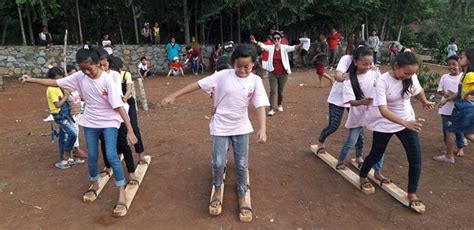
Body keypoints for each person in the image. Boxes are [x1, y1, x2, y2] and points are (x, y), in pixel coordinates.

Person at [21, 46, 138, 217]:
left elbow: (119, 107)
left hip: (109, 122)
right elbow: (55, 82)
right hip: (90, 122)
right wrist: (31, 79)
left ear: (98, 64)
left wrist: (130, 130)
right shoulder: (80, 76)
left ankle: (121, 191)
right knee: (91, 156)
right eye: (82, 69)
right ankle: (94, 184)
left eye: (89, 69)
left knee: (112, 155)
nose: (87, 73)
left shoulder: (107, 81)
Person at [161, 43, 269, 222]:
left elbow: (260, 105)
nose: (242, 70)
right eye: (239, 66)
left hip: (241, 127)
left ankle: (242, 194)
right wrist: (173, 95)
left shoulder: (255, 81)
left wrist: (263, 128)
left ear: (253, 65)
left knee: (242, 164)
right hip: (220, 126)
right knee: (218, 162)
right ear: (233, 63)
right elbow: (196, 84)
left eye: (247, 67)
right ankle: (217, 190)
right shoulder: (221, 76)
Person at [359, 52, 434, 211]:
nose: (409, 76)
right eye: (406, 73)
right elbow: (383, 110)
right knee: (376, 153)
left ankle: (412, 193)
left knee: (415, 158)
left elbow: (418, 89)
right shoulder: (382, 81)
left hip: (407, 121)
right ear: (396, 67)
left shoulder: (410, 76)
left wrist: (424, 101)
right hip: (385, 122)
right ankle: (363, 175)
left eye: (412, 73)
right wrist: (404, 123)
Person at [336, 46, 386, 179]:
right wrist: (362, 102)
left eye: (370, 63)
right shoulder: (349, 79)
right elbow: (350, 101)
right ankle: (341, 160)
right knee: (352, 140)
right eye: (364, 64)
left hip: (375, 113)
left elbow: (383, 86)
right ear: (355, 62)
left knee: (380, 144)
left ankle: (377, 171)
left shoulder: (375, 73)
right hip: (358, 113)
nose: (368, 66)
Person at [315, 45, 365, 155]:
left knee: (358, 128)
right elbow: (338, 74)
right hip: (338, 98)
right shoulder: (346, 59)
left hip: (355, 99)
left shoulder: (368, 65)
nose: (365, 65)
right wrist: (341, 77)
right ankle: (321, 141)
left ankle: (359, 155)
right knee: (333, 125)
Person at [434, 48, 474, 163]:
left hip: (463, 108)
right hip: (464, 107)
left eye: (462, 57)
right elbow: (459, 93)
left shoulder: (470, 75)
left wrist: (466, 94)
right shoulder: (464, 75)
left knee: (450, 129)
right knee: (468, 134)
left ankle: (449, 156)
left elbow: (464, 92)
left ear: (469, 61)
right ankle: (449, 155)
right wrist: (447, 100)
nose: (460, 58)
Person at [250, 31, 303, 116]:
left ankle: (280, 104)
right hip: (273, 73)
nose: (276, 40)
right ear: (273, 40)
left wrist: (300, 45)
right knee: (273, 91)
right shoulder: (270, 48)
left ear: (281, 39)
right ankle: (271, 108)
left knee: (280, 92)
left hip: (283, 73)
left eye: (278, 38)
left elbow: (293, 47)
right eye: (274, 38)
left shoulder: (284, 47)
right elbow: (263, 46)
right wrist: (255, 42)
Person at [44, 67, 78, 169]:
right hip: (59, 115)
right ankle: (66, 154)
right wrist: (65, 96)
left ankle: (65, 159)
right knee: (72, 133)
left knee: (63, 137)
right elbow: (58, 104)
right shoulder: (51, 89)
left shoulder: (59, 87)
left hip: (65, 114)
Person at [66, 64, 87, 160]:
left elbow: (80, 96)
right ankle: (75, 149)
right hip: (71, 112)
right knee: (74, 130)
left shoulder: (77, 85)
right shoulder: (65, 87)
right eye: (70, 74)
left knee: (77, 129)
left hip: (78, 110)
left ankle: (75, 148)